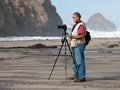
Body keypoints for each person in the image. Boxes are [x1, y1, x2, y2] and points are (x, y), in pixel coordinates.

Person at [68, 12, 86, 82]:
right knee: (74, 61)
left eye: (73, 17)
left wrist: (73, 36)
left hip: (79, 45)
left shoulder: (81, 25)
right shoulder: (76, 25)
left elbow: (82, 35)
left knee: (79, 61)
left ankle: (82, 77)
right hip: (74, 45)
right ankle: (75, 75)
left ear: (78, 17)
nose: (72, 18)